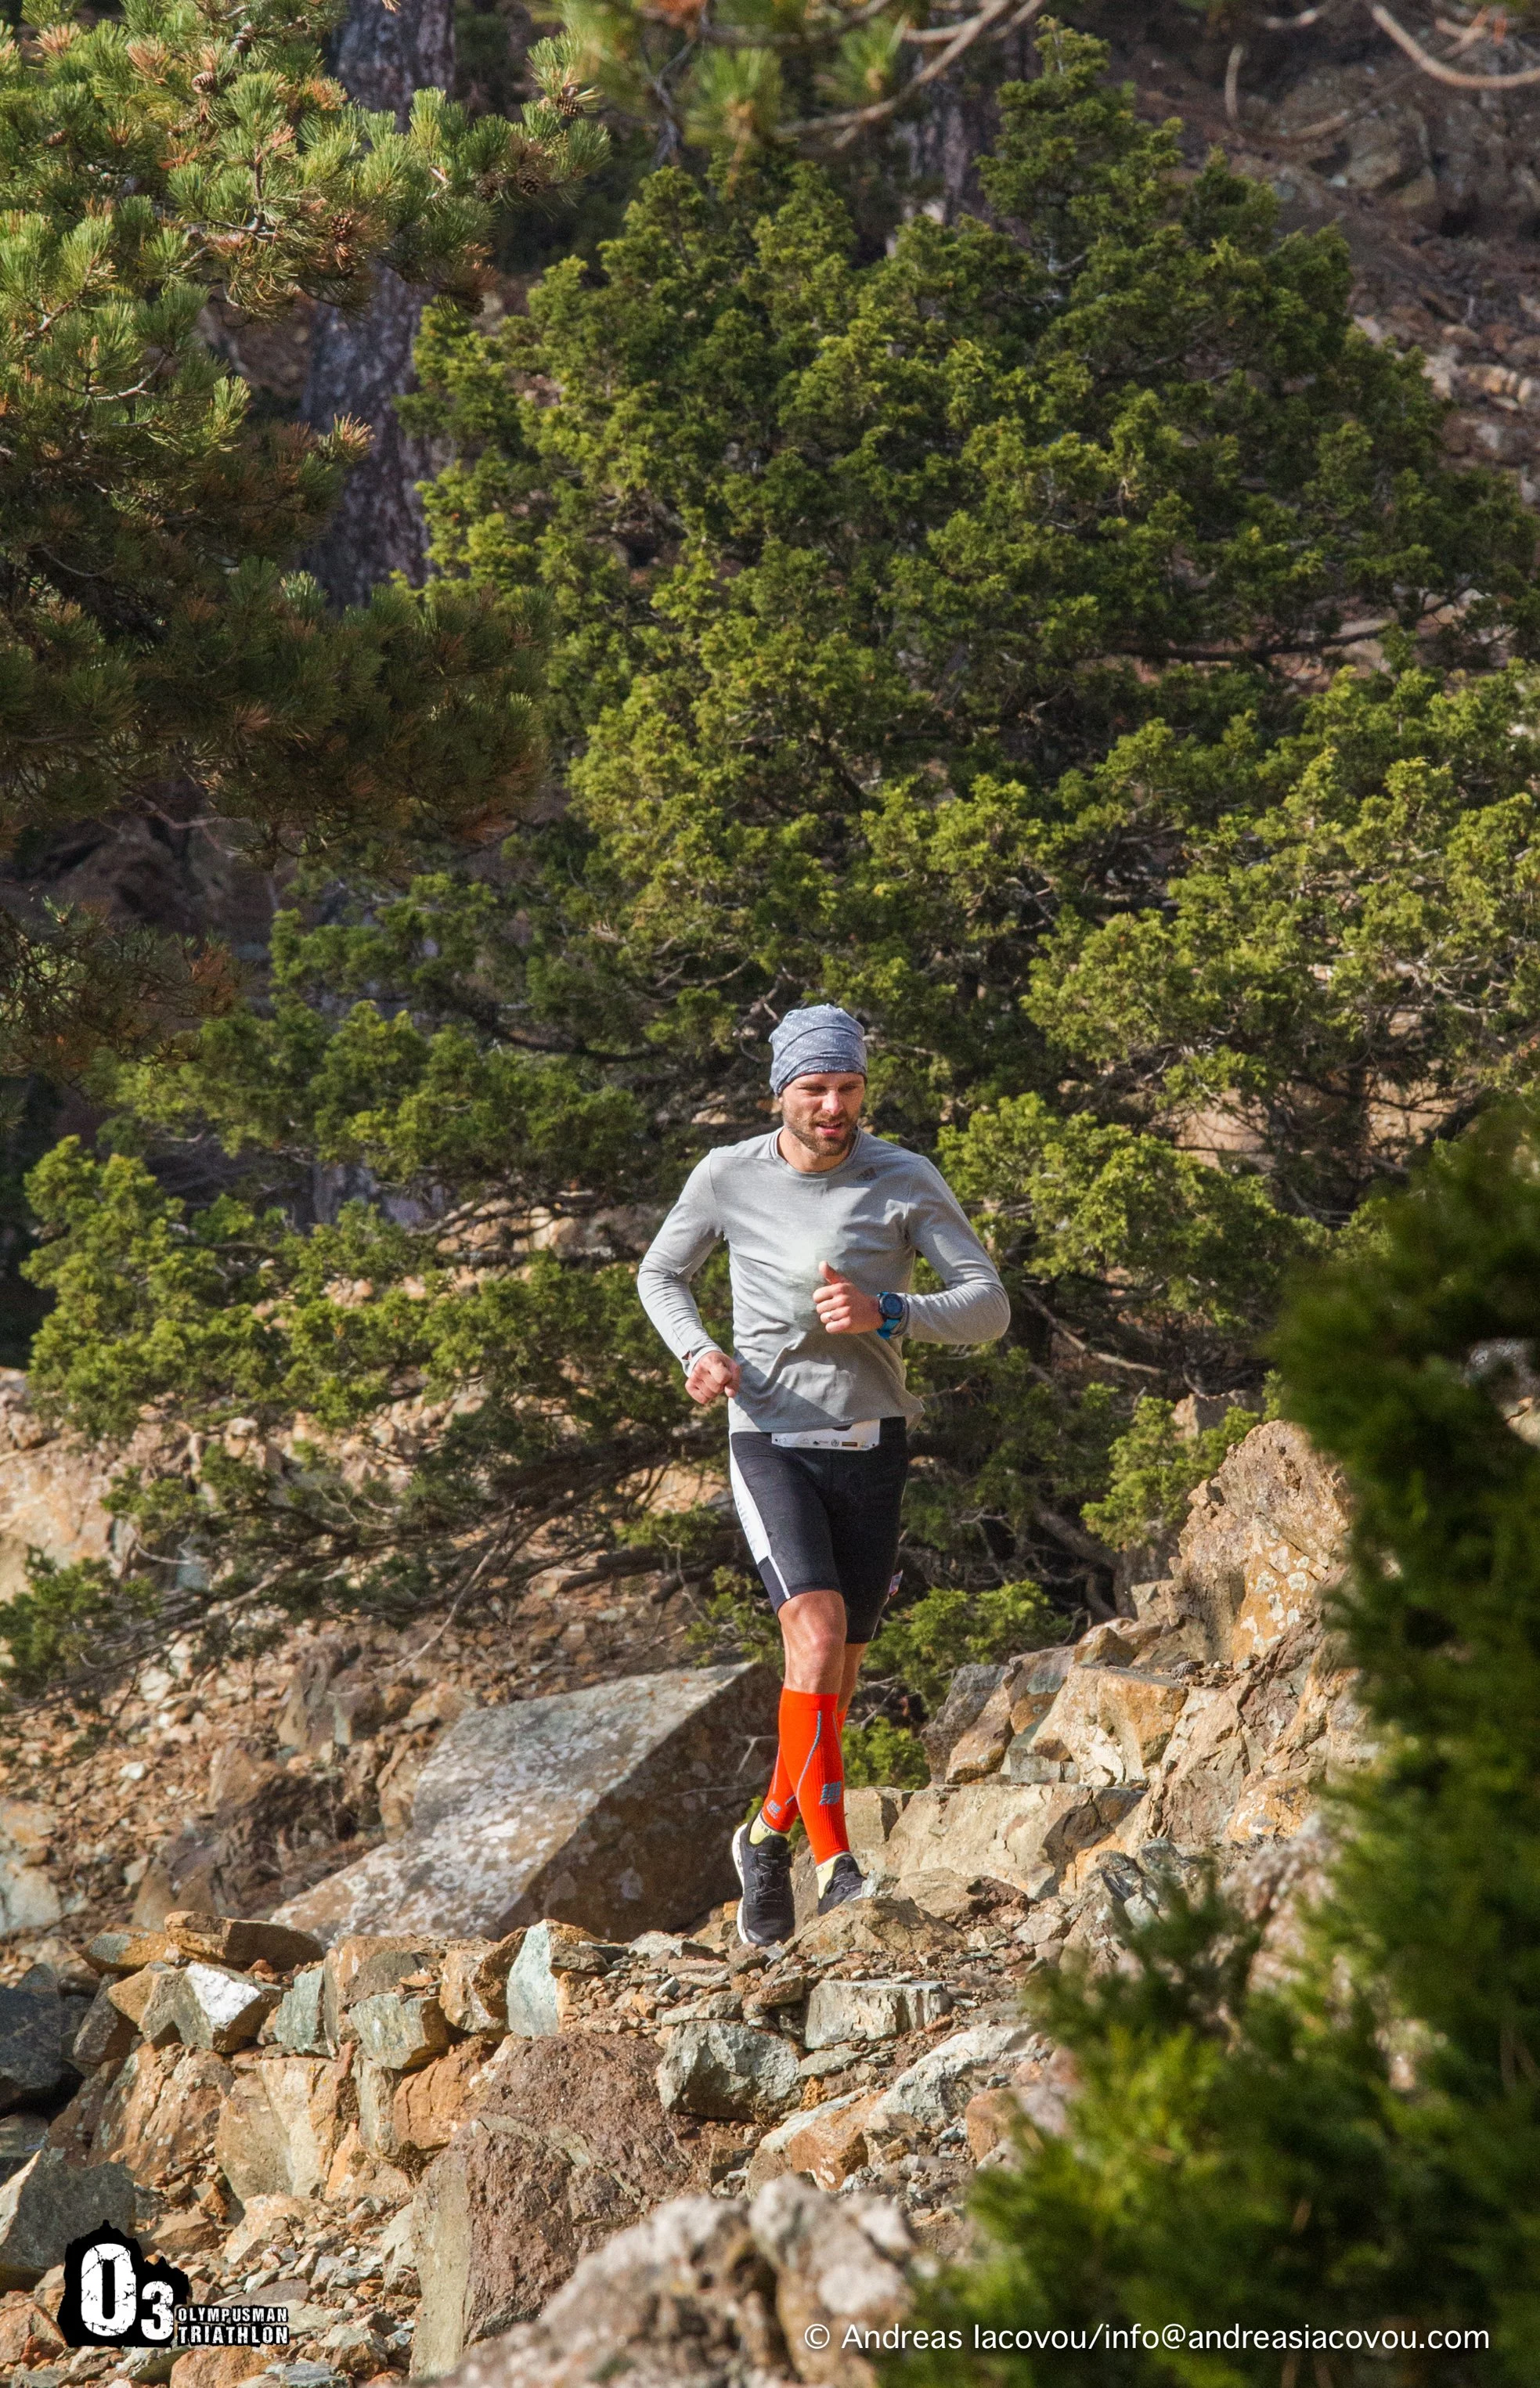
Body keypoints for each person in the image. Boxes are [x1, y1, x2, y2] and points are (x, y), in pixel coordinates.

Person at [637, 1004, 1010, 1945]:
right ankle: (834, 1866)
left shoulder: (903, 1176)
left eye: (847, 1088)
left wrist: (889, 1310)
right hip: (766, 1433)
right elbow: (660, 1274)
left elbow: (986, 1308)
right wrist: (698, 1351)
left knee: (835, 1679)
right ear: (781, 1094)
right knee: (815, 1631)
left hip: (871, 1440)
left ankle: (764, 1835)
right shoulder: (727, 1175)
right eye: (815, 1090)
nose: (834, 1106)